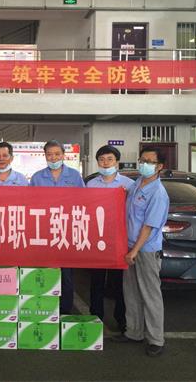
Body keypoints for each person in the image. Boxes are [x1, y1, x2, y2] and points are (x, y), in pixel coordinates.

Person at [112, 146, 169, 358]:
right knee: (132, 292)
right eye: (142, 160)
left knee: (150, 295)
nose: (144, 164)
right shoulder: (137, 184)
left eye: (149, 162)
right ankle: (134, 332)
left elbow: (149, 226)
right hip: (128, 247)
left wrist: (134, 251)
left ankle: (156, 339)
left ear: (159, 166)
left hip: (145, 250)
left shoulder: (158, 193)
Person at [30, 140, 84, 314]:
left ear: (63, 155)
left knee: (66, 276)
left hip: (66, 233)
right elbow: (29, 204)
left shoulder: (74, 176)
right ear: (45, 156)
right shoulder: (37, 177)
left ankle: (65, 312)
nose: (53, 157)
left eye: (57, 154)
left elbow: (84, 201)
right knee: (44, 273)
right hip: (43, 232)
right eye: (49, 154)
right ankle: (45, 310)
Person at [86, 145, 134, 332]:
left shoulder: (129, 185)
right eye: (102, 159)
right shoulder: (91, 185)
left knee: (119, 283)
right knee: (96, 281)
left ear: (117, 162)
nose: (105, 163)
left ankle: (121, 320)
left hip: (118, 241)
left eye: (109, 159)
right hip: (97, 239)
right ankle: (95, 317)